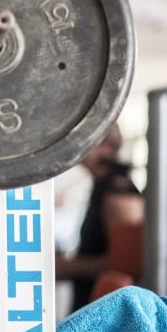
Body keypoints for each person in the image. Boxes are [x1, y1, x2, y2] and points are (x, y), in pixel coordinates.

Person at [56, 124, 144, 312]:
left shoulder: (118, 191)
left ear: (103, 143)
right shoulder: (104, 186)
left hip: (107, 318)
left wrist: (65, 267)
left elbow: (128, 264)